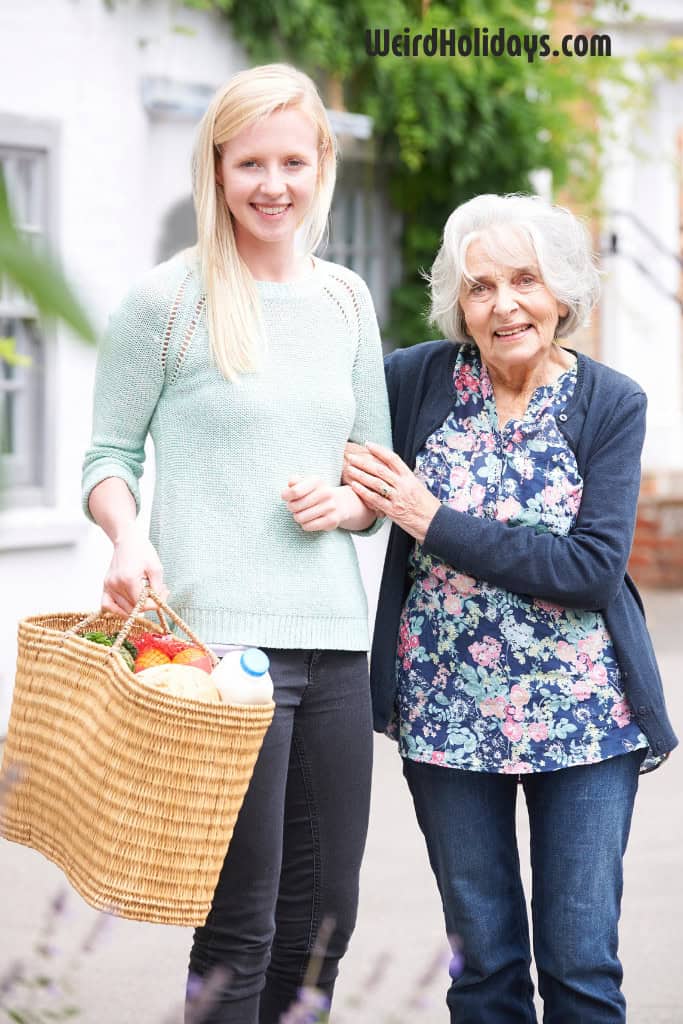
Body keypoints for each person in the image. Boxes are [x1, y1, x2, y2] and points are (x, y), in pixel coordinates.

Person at [81, 63, 391, 1024]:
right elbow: (107, 455)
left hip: (337, 643)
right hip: (216, 655)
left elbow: (373, 473)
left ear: (321, 164)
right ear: (215, 170)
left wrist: (347, 504)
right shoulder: (166, 302)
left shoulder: (346, 302)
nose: (272, 184)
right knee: (242, 922)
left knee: (326, 918)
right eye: (249, 162)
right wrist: (126, 536)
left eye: (292, 161)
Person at [343, 193, 678, 1024]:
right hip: (445, 717)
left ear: (560, 291)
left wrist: (428, 518)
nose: (502, 305)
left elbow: (591, 569)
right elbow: (320, 423)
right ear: (459, 303)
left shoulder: (610, 402)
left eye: (522, 280)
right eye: (478, 286)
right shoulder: (413, 381)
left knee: (580, 968)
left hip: (585, 719)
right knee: (484, 967)